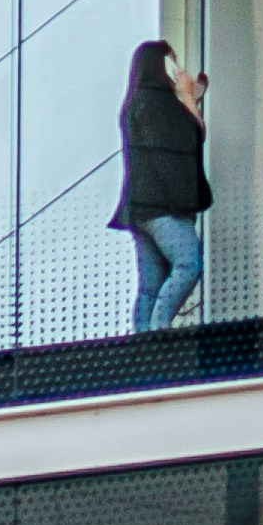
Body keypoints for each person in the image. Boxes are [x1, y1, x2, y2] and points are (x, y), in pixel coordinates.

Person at [112, 37, 209, 331]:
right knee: (187, 265)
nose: (178, 70)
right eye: (173, 64)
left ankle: (142, 344)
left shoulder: (135, 104)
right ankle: (159, 330)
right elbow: (193, 133)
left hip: (139, 210)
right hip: (164, 208)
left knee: (149, 286)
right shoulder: (159, 103)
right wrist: (188, 98)